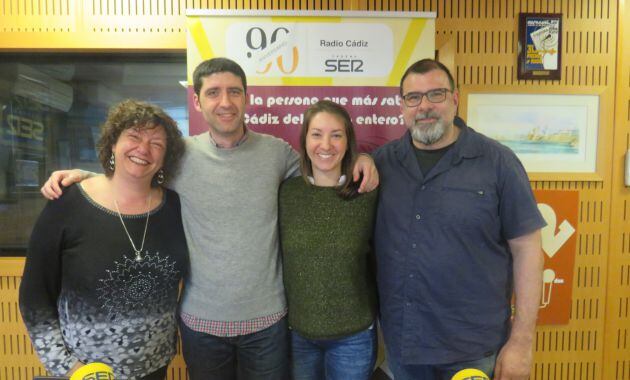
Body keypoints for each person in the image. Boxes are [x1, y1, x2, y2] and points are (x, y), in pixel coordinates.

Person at [39, 57, 378, 380]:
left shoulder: (276, 152)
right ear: (198, 102)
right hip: (201, 325)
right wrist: (86, 176)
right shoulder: (180, 156)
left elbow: (322, 164)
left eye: (234, 91)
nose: (225, 101)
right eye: (213, 92)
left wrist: (362, 158)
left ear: (248, 99)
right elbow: (135, 175)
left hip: (268, 323)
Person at [372, 59, 546, 380]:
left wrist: (522, 341)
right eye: (413, 97)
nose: (424, 106)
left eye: (435, 94)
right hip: (404, 348)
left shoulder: (498, 163)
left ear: (455, 98)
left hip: (474, 351)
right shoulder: (382, 164)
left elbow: (528, 250)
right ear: (402, 107)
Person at [19, 99, 188, 380]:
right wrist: (69, 368)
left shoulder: (175, 207)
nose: (143, 149)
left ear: (165, 157)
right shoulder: (67, 203)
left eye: (156, 143)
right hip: (83, 372)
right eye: (133, 136)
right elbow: (34, 298)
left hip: (155, 368)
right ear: (113, 143)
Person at [278, 100, 378, 380]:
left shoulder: (367, 193)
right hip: (298, 336)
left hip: (353, 337)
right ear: (304, 140)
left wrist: (368, 159)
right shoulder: (286, 193)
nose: (326, 144)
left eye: (336, 135)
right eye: (317, 134)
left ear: (348, 142)